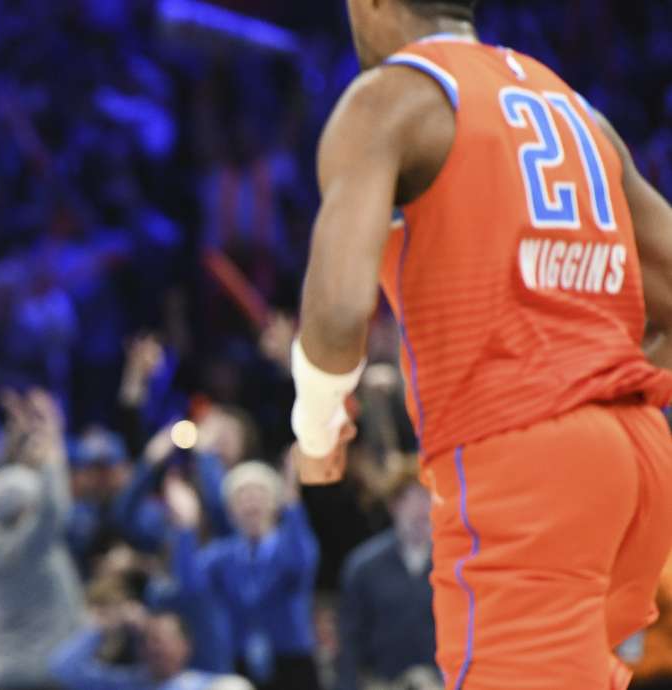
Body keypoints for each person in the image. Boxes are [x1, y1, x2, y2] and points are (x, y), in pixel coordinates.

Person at [288, 0, 672, 688]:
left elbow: (339, 314)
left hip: (523, 457)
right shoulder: (571, 105)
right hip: (639, 454)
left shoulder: (391, 98)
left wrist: (316, 436)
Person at [167, 459, 320, 689]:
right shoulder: (223, 555)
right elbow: (190, 587)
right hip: (241, 660)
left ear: (274, 504)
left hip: (293, 661)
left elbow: (302, 565)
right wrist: (187, 527)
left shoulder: (289, 545)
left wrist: (292, 504)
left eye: (259, 493)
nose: (250, 502)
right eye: (241, 496)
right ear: (230, 510)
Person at [0, 388, 83, 690]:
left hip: (4, 673)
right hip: (35, 676)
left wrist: (15, 438)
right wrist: (53, 440)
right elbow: (54, 510)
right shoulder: (26, 545)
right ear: (25, 510)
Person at [336, 463, 436, 689]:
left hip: (443, 679)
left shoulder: (456, 564)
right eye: (413, 499)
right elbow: (351, 637)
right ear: (394, 506)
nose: (422, 509)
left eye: (428, 498)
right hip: (385, 681)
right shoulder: (364, 566)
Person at [49, 609, 246, 690]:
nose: (151, 647)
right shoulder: (125, 683)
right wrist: (107, 627)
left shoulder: (216, 686)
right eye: (145, 640)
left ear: (185, 646)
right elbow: (63, 668)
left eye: (160, 640)